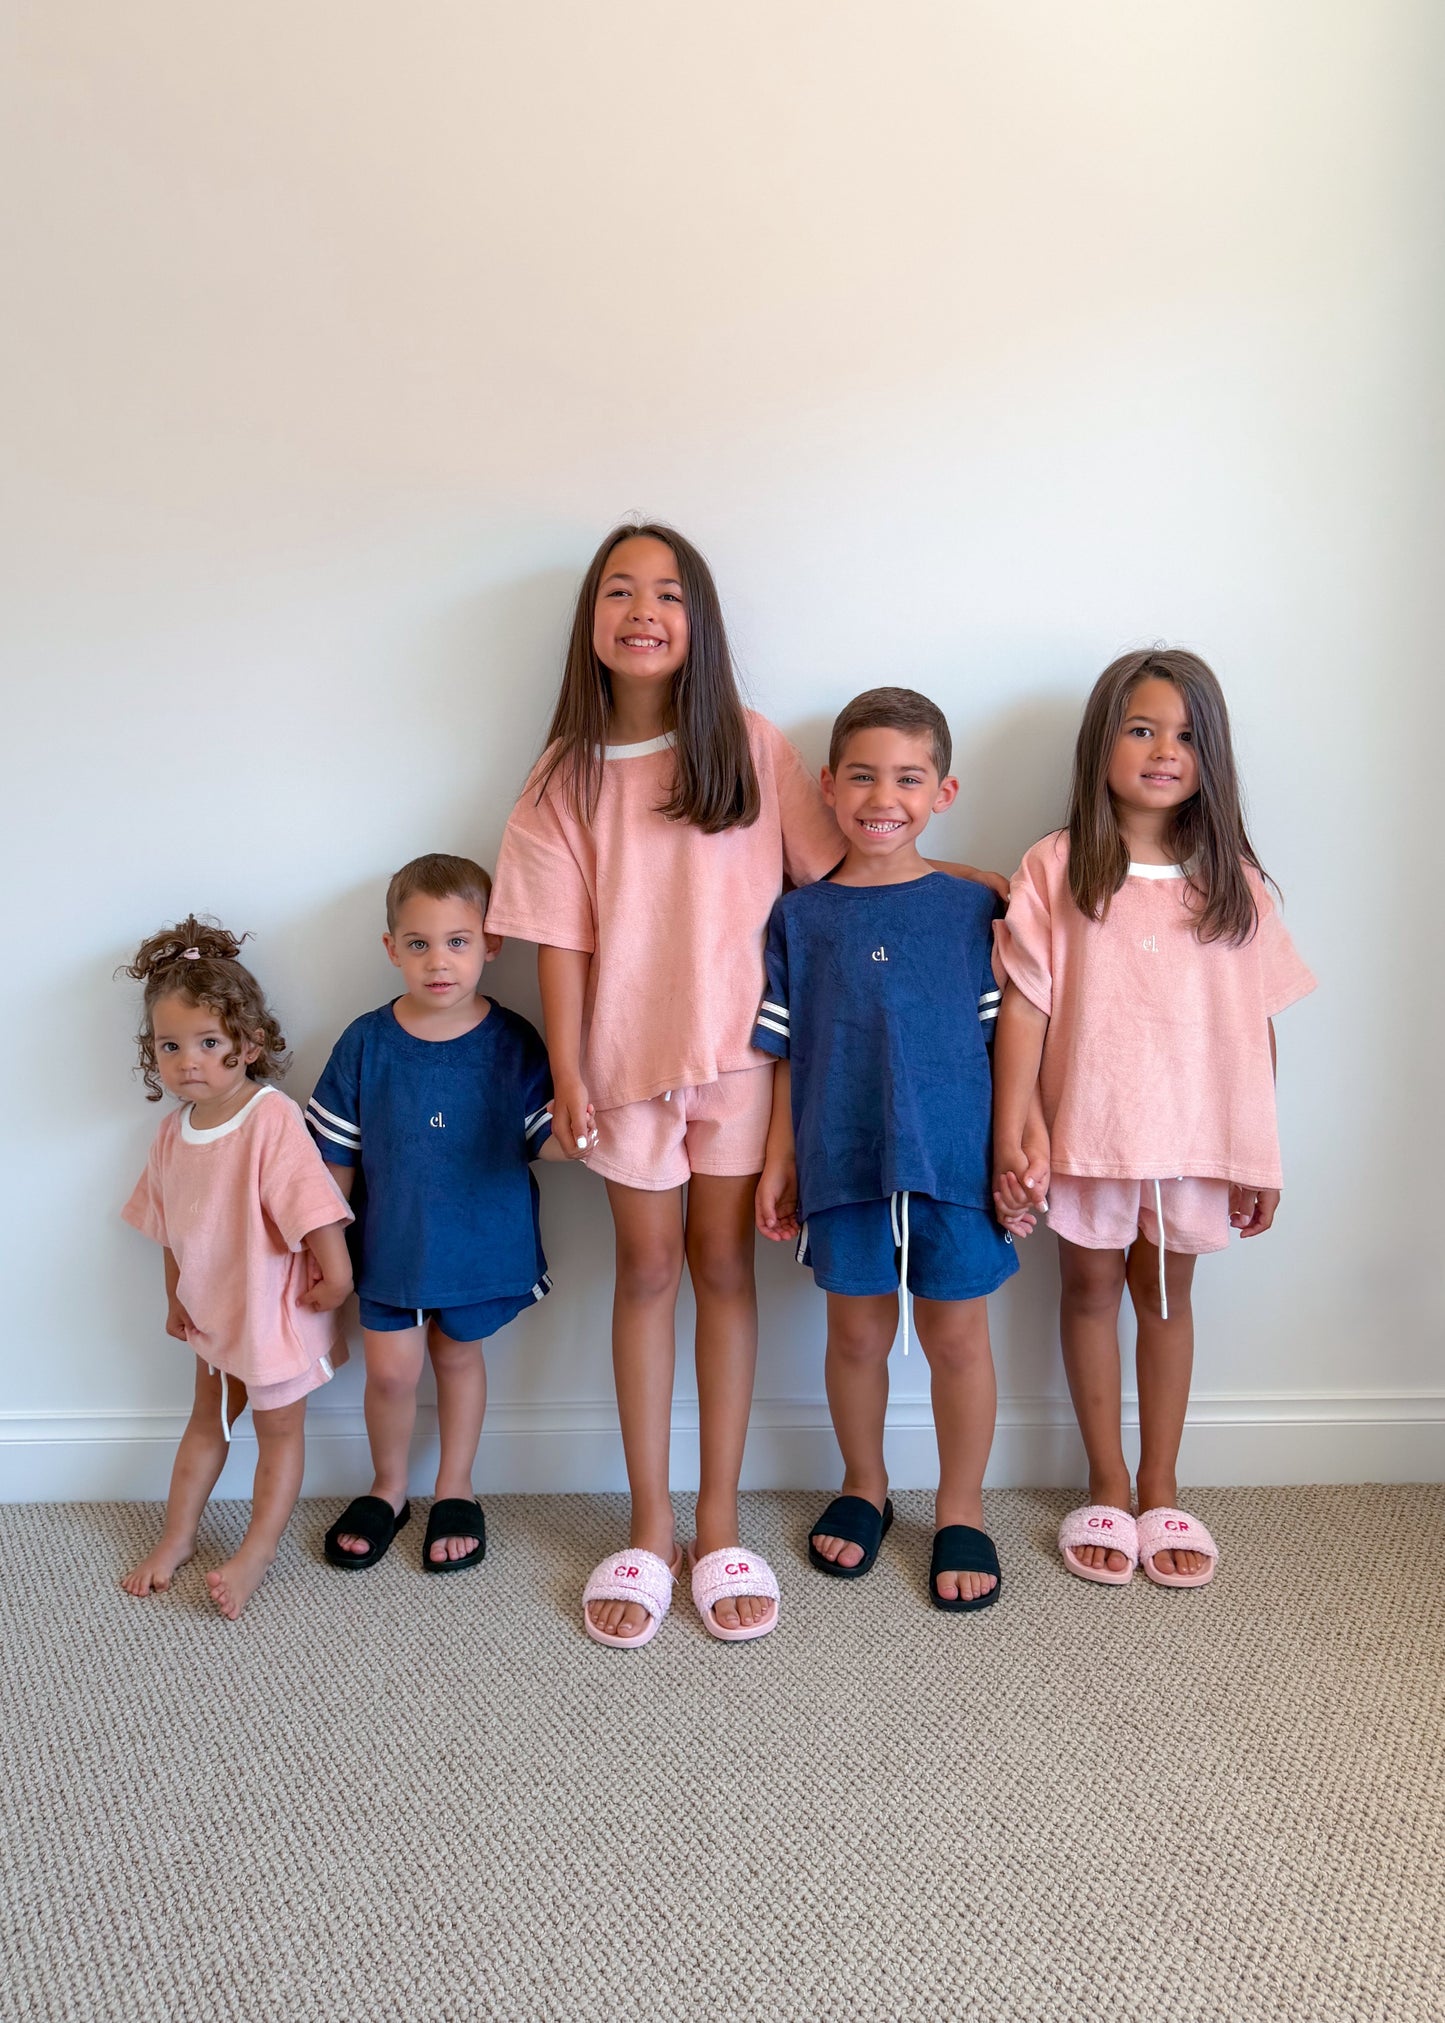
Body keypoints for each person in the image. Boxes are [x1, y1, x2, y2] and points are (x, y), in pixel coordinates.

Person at [488, 523, 1008, 1647]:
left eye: (667, 592)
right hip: (623, 1068)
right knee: (644, 1273)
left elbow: (854, 869)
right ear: (591, 621)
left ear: (698, 620)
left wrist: (966, 880)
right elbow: (559, 942)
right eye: (619, 591)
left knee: (725, 1270)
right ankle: (647, 1521)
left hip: (742, 1062)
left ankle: (717, 1519)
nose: (642, 609)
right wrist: (569, 1067)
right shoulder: (560, 778)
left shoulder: (750, 744)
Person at [991, 649, 1315, 1588]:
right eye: (1141, 728)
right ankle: (1103, 1478)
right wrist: (1019, 1124)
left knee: (1166, 1301)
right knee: (1087, 1292)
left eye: (1183, 735)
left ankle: (1161, 1482)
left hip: (1195, 1140)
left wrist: (1259, 1153)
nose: (1162, 750)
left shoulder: (1235, 882)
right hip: (1085, 1131)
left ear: (1209, 756)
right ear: (1102, 743)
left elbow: (1253, 1025)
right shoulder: (1057, 867)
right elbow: (1025, 1002)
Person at [754, 689, 1042, 1611]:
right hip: (840, 1161)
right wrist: (777, 1160)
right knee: (856, 1334)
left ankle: (961, 1505)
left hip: (955, 1165)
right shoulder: (798, 918)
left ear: (943, 790)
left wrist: (1012, 1149)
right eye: (864, 775)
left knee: (957, 1337)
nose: (885, 795)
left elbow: (1011, 1046)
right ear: (829, 786)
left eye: (909, 777)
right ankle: (864, 1482)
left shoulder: (973, 910)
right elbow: (786, 1055)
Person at [310, 854, 566, 1575]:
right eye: (418, 943)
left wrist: (580, 1137)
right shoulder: (366, 1041)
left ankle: (456, 1484)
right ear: (391, 948)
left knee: (458, 1357)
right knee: (389, 1372)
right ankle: (388, 1487)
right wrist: (325, 1246)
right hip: (391, 1241)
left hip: (480, 1240)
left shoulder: (512, 1040)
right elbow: (333, 1154)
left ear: (491, 945)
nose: (438, 961)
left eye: (457, 940)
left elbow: (541, 1140)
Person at [119, 918, 354, 1619]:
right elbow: (169, 1229)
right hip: (213, 1315)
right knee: (207, 1423)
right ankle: (178, 1535)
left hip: (276, 1314)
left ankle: (257, 1549)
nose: (187, 1060)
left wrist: (336, 1277)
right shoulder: (172, 1133)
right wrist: (175, 1299)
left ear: (248, 1044)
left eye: (208, 1042)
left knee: (278, 1433)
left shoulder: (268, 1118)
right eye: (170, 1046)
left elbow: (313, 1205)